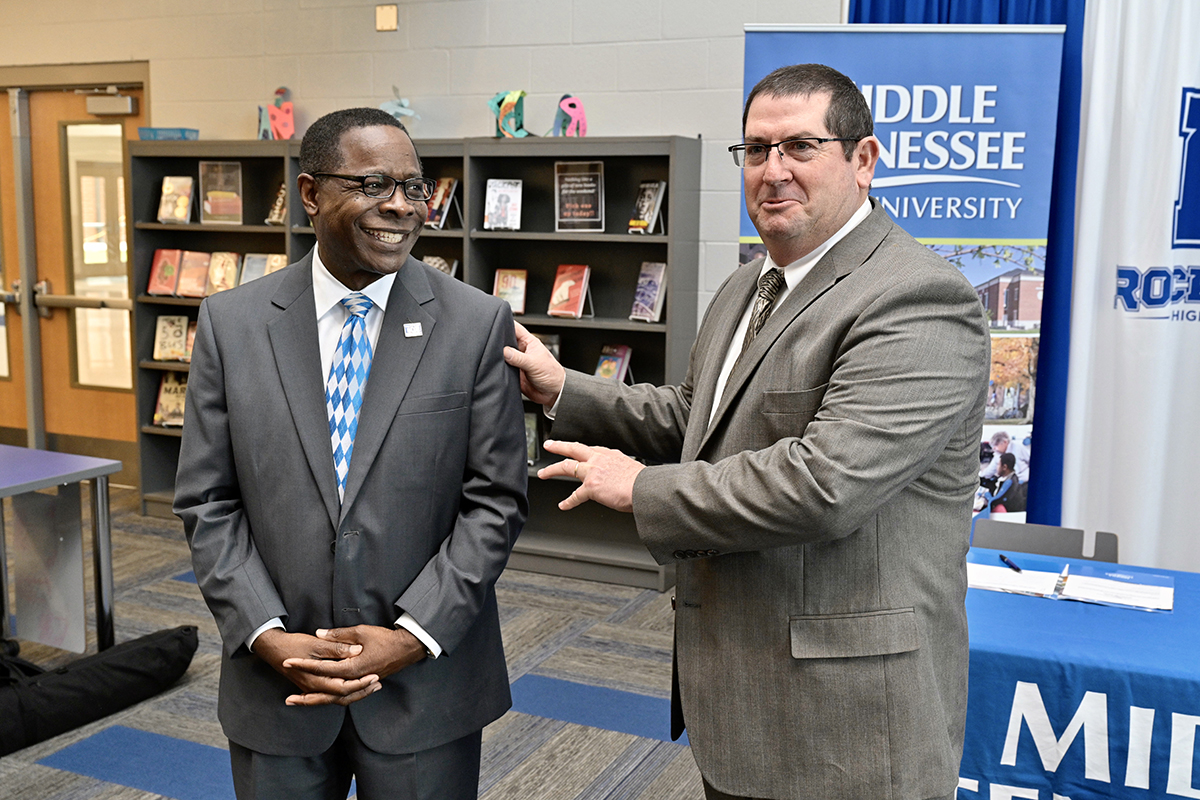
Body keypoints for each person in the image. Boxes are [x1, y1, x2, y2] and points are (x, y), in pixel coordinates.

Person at [505, 63, 990, 800]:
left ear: (863, 160)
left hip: (847, 721)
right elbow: (696, 419)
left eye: (800, 147)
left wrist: (640, 488)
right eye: (756, 149)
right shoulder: (747, 284)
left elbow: (824, 484)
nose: (773, 170)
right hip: (740, 693)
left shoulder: (917, 297)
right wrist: (562, 387)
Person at [174, 107, 527, 800]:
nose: (401, 206)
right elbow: (208, 500)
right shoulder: (231, 324)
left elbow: (496, 501)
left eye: (414, 187)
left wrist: (414, 634)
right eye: (372, 185)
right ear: (310, 194)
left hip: (425, 688)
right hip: (277, 684)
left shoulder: (477, 323)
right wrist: (264, 632)